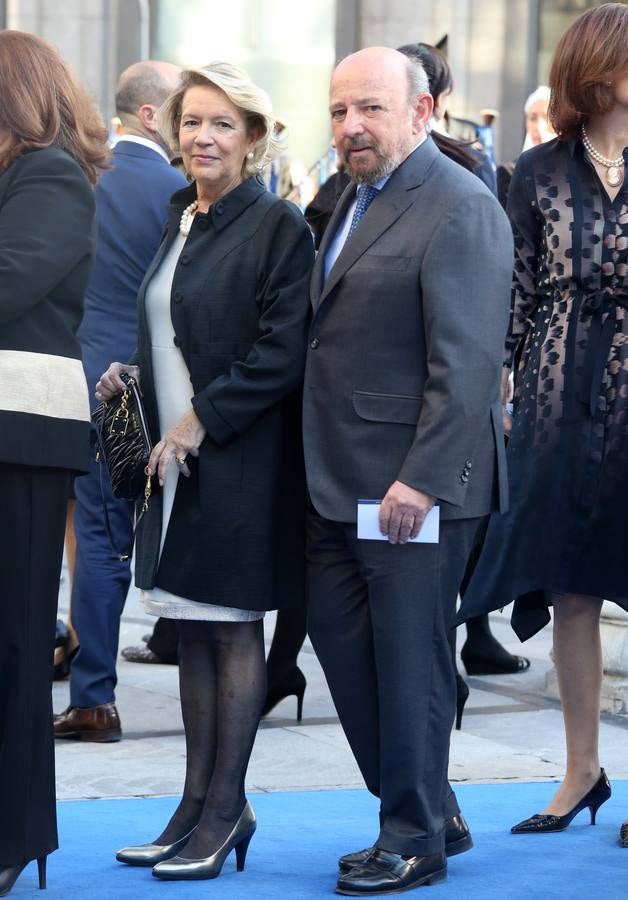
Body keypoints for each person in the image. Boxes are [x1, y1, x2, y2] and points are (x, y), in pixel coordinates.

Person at [303, 47, 513, 894]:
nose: (351, 126)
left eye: (372, 109)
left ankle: (413, 837)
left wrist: (421, 478)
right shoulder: (347, 201)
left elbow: (466, 364)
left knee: (412, 661)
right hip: (331, 483)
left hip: (413, 488)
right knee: (348, 655)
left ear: (423, 113)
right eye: (340, 111)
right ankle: (433, 805)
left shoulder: (461, 205)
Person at [97, 61, 313, 880]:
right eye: (192, 122)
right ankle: (194, 804)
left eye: (223, 124)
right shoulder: (178, 215)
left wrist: (196, 422)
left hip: (237, 458)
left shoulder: (278, 226)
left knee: (228, 628)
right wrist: (131, 377)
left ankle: (226, 809)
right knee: (190, 630)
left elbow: (281, 351)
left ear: (253, 137)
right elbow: (171, 323)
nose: (203, 137)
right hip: (170, 458)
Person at [457, 3, 628, 847]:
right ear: (601, 68)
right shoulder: (538, 170)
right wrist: (499, 391)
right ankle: (581, 770)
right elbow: (517, 293)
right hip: (559, 391)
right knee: (571, 586)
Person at [0, 30, 108, 897]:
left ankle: (15, 832)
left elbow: (11, 280)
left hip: (20, 442)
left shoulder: (50, 175)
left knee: (12, 645)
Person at [52, 60, 185, 742]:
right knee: (106, 542)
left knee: (70, 539)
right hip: (132, 393)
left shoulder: (79, 177)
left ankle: (87, 693)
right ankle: (94, 694)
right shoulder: (179, 191)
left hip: (59, 382)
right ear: (153, 115)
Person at [398, 42, 529, 696]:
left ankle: (459, 651)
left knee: (443, 558)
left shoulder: (467, 173)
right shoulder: (358, 177)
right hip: (389, 412)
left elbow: (485, 293)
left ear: (426, 103)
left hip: (447, 407)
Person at [496, 85, 555, 210]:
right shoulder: (508, 173)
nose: (538, 126)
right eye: (533, 118)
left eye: (546, 117)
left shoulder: (571, 170)